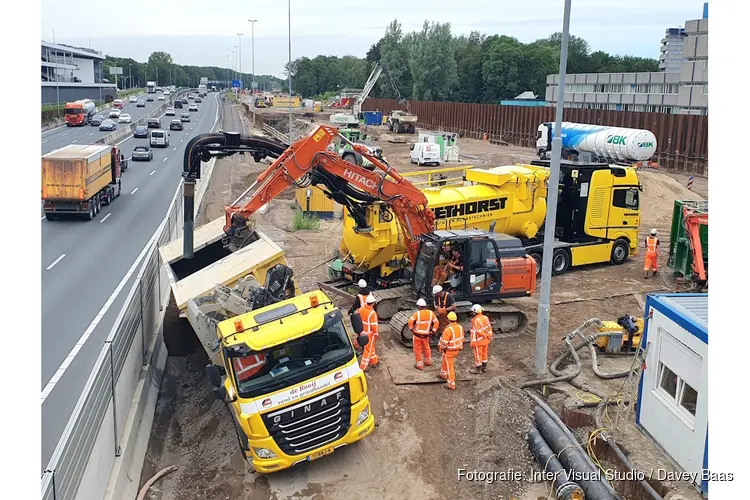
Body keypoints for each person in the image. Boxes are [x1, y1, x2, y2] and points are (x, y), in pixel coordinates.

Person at [407, 298, 439, 370]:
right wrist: (433, 331)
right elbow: (436, 322)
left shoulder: (417, 314)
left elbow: (410, 322)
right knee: (426, 348)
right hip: (426, 335)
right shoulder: (431, 313)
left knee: (417, 350)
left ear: (419, 306)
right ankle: (428, 361)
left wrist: (412, 329)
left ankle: (419, 365)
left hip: (417, 335)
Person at [438, 311, 464, 390]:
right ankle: (443, 374)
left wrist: (441, 348)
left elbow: (444, 343)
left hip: (450, 350)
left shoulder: (448, 330)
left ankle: (451, 384)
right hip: (456, 349)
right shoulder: (460, 327)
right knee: (445, 361)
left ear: (448, 320)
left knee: (450, 367)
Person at [468, 304, 493, 374]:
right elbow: (489, 328)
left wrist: (484, 335)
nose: (471, 313)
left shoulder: (476, 320)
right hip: (485, 340)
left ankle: (478, 368)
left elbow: (479, 331)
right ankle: (484, 367)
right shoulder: (485, 317)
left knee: (478, 354)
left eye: (472, 311)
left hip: (478, 341)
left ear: (475, 312)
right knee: (484, 353)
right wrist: (489, 336)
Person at [359, 294, 380, 371]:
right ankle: (362, 367)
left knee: (371, 348)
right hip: (369, 334)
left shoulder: (361, 309)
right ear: (373, 303)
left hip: (362, 332)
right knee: (367, 350)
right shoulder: (372, 313)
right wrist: (376, 333)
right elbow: (374, 326)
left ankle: (374, 361)